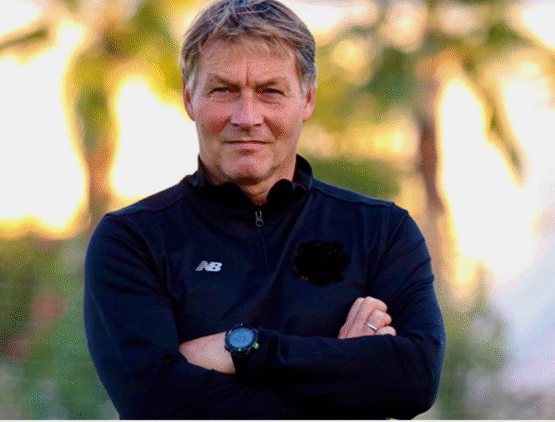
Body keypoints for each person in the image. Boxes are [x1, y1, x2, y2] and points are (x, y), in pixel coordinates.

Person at [83, 0, 445, 419]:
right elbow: (156, 403)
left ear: (307, 98)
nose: (247, 117)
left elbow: (415, 379)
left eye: (270, 91)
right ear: (189, 97)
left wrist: (243, 347)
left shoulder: (381, 231)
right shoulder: (132, 241)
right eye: (224, 90)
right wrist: (346, 376)